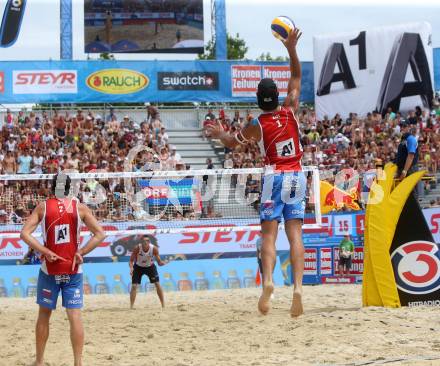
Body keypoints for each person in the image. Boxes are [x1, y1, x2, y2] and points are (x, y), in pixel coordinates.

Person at [205, 28, 306, 317]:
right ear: (277, 96)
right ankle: (298, 287)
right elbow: (297, 77)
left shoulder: (256, 124)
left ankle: (270, 282)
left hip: (273, 177)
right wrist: (291, 48)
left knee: (269, 238)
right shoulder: (290, 109)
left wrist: (218, 133)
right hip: (297, 174)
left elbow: (230, 144)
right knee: (296, 235)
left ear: (259, 99)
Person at [20, 173, 106, 366]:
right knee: (75, 316)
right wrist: (81, 251)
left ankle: (40, 361)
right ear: (69, 189)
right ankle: (78, 363)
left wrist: (44, 250)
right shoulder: (80, 207)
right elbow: (100, 234)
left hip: (49, 268)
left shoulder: (43, 207)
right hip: (73, 268)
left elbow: (24, 233)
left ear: (52, 187)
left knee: (44, 314)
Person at [129, 235, 167, 309]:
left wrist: (163, 263)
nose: (146, 242)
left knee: (157, 284)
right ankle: (131, 306)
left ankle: (163, 305)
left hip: (150, 267)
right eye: (144, 240)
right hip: (138, 267)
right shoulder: (137, 248)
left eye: (147, 241)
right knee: (134, 286)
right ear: (141, 242)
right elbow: (131, 261)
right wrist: (131, 268)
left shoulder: (154, 249)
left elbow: (159, 263)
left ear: (149, 242)